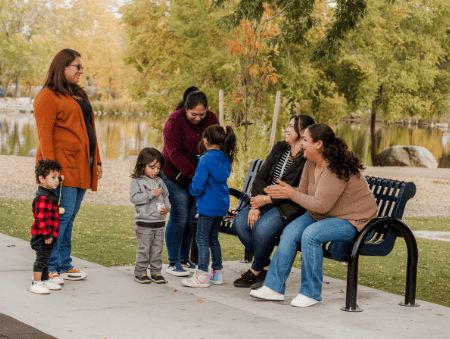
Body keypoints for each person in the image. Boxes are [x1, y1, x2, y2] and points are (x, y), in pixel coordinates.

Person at [250, 123, 378, 307]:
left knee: (310, 235)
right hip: (326, 214)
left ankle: (311, 293)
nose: (301, 143)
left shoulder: (334, 168)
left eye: (305, 139)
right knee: (291, 231)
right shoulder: (311, 163)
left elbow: (321, 205)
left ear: (318, 144)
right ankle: (273, 287)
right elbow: (303, 191)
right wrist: (284, 192)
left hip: (354, 220)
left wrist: (290, 194)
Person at [34, 49, 102, 284]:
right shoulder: (47, 96)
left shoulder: (78, 94)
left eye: (81, 67)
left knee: (70, 215)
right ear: (63, 67)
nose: (81, 71)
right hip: (62, 166)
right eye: (77, 66)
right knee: (59, 217)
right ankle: (49, 266)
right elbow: (45, 135)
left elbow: (88, 128)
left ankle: (64, 264)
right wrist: (51, 172)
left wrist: (98, 160)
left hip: (84, 162)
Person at [233, 115, 315, 289]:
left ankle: (255, 270)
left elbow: (300, 192)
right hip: (264, 201)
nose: (286, 129)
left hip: (288, 206)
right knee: (240, 222)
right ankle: (266, 267)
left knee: (262, 229)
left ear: (302, 132)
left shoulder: (307, 158)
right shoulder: (280, 148)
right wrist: (255, 204)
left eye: (291, 127)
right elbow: (261, 177)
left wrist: (267, 199)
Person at [162, 87, 220, 277]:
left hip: (198, 178)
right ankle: (173, 261)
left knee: (191, 219)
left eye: (201, 114)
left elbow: (218, 145)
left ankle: (185, 260)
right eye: (194, 114)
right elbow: (174, 153)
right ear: (186, 109)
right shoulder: (174, 121)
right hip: (174, 175)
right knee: (180, 215)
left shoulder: (211, 119)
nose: (198, 118)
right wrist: (197, 176)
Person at [181, 125, 237, 287]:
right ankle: (216, 273)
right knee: (213, 239)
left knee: (201, 238)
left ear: (206, 140)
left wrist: (192, 190)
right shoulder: (225, 157)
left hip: (207, 205)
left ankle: (202, 274)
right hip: (221, 205)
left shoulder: (206, 159)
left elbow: (198, 184)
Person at [130, 148, 171, 284]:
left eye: (158, 168)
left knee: (157, 249)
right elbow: (134, 198)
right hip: (144, 223)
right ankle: (140, 272)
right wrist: (151, 194)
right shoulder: (137, 181)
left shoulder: (159, 181)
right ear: (142, 165)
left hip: (159, 223)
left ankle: (156, 272)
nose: (155, 171)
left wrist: (167, 207)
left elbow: (165, 196)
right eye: (152, 167)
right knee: (144, 249)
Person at [30, 159, 64, 294]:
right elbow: (41, 218)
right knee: (42, 258)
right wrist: (46, 234)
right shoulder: (43, 197)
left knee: (46, 257)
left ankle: (44, 280)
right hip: (43, 235)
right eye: (53, 177)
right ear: (41, 179)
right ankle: (36, 283)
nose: (57, 180)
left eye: (58, 177)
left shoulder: (49, 193)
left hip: (49, 234)